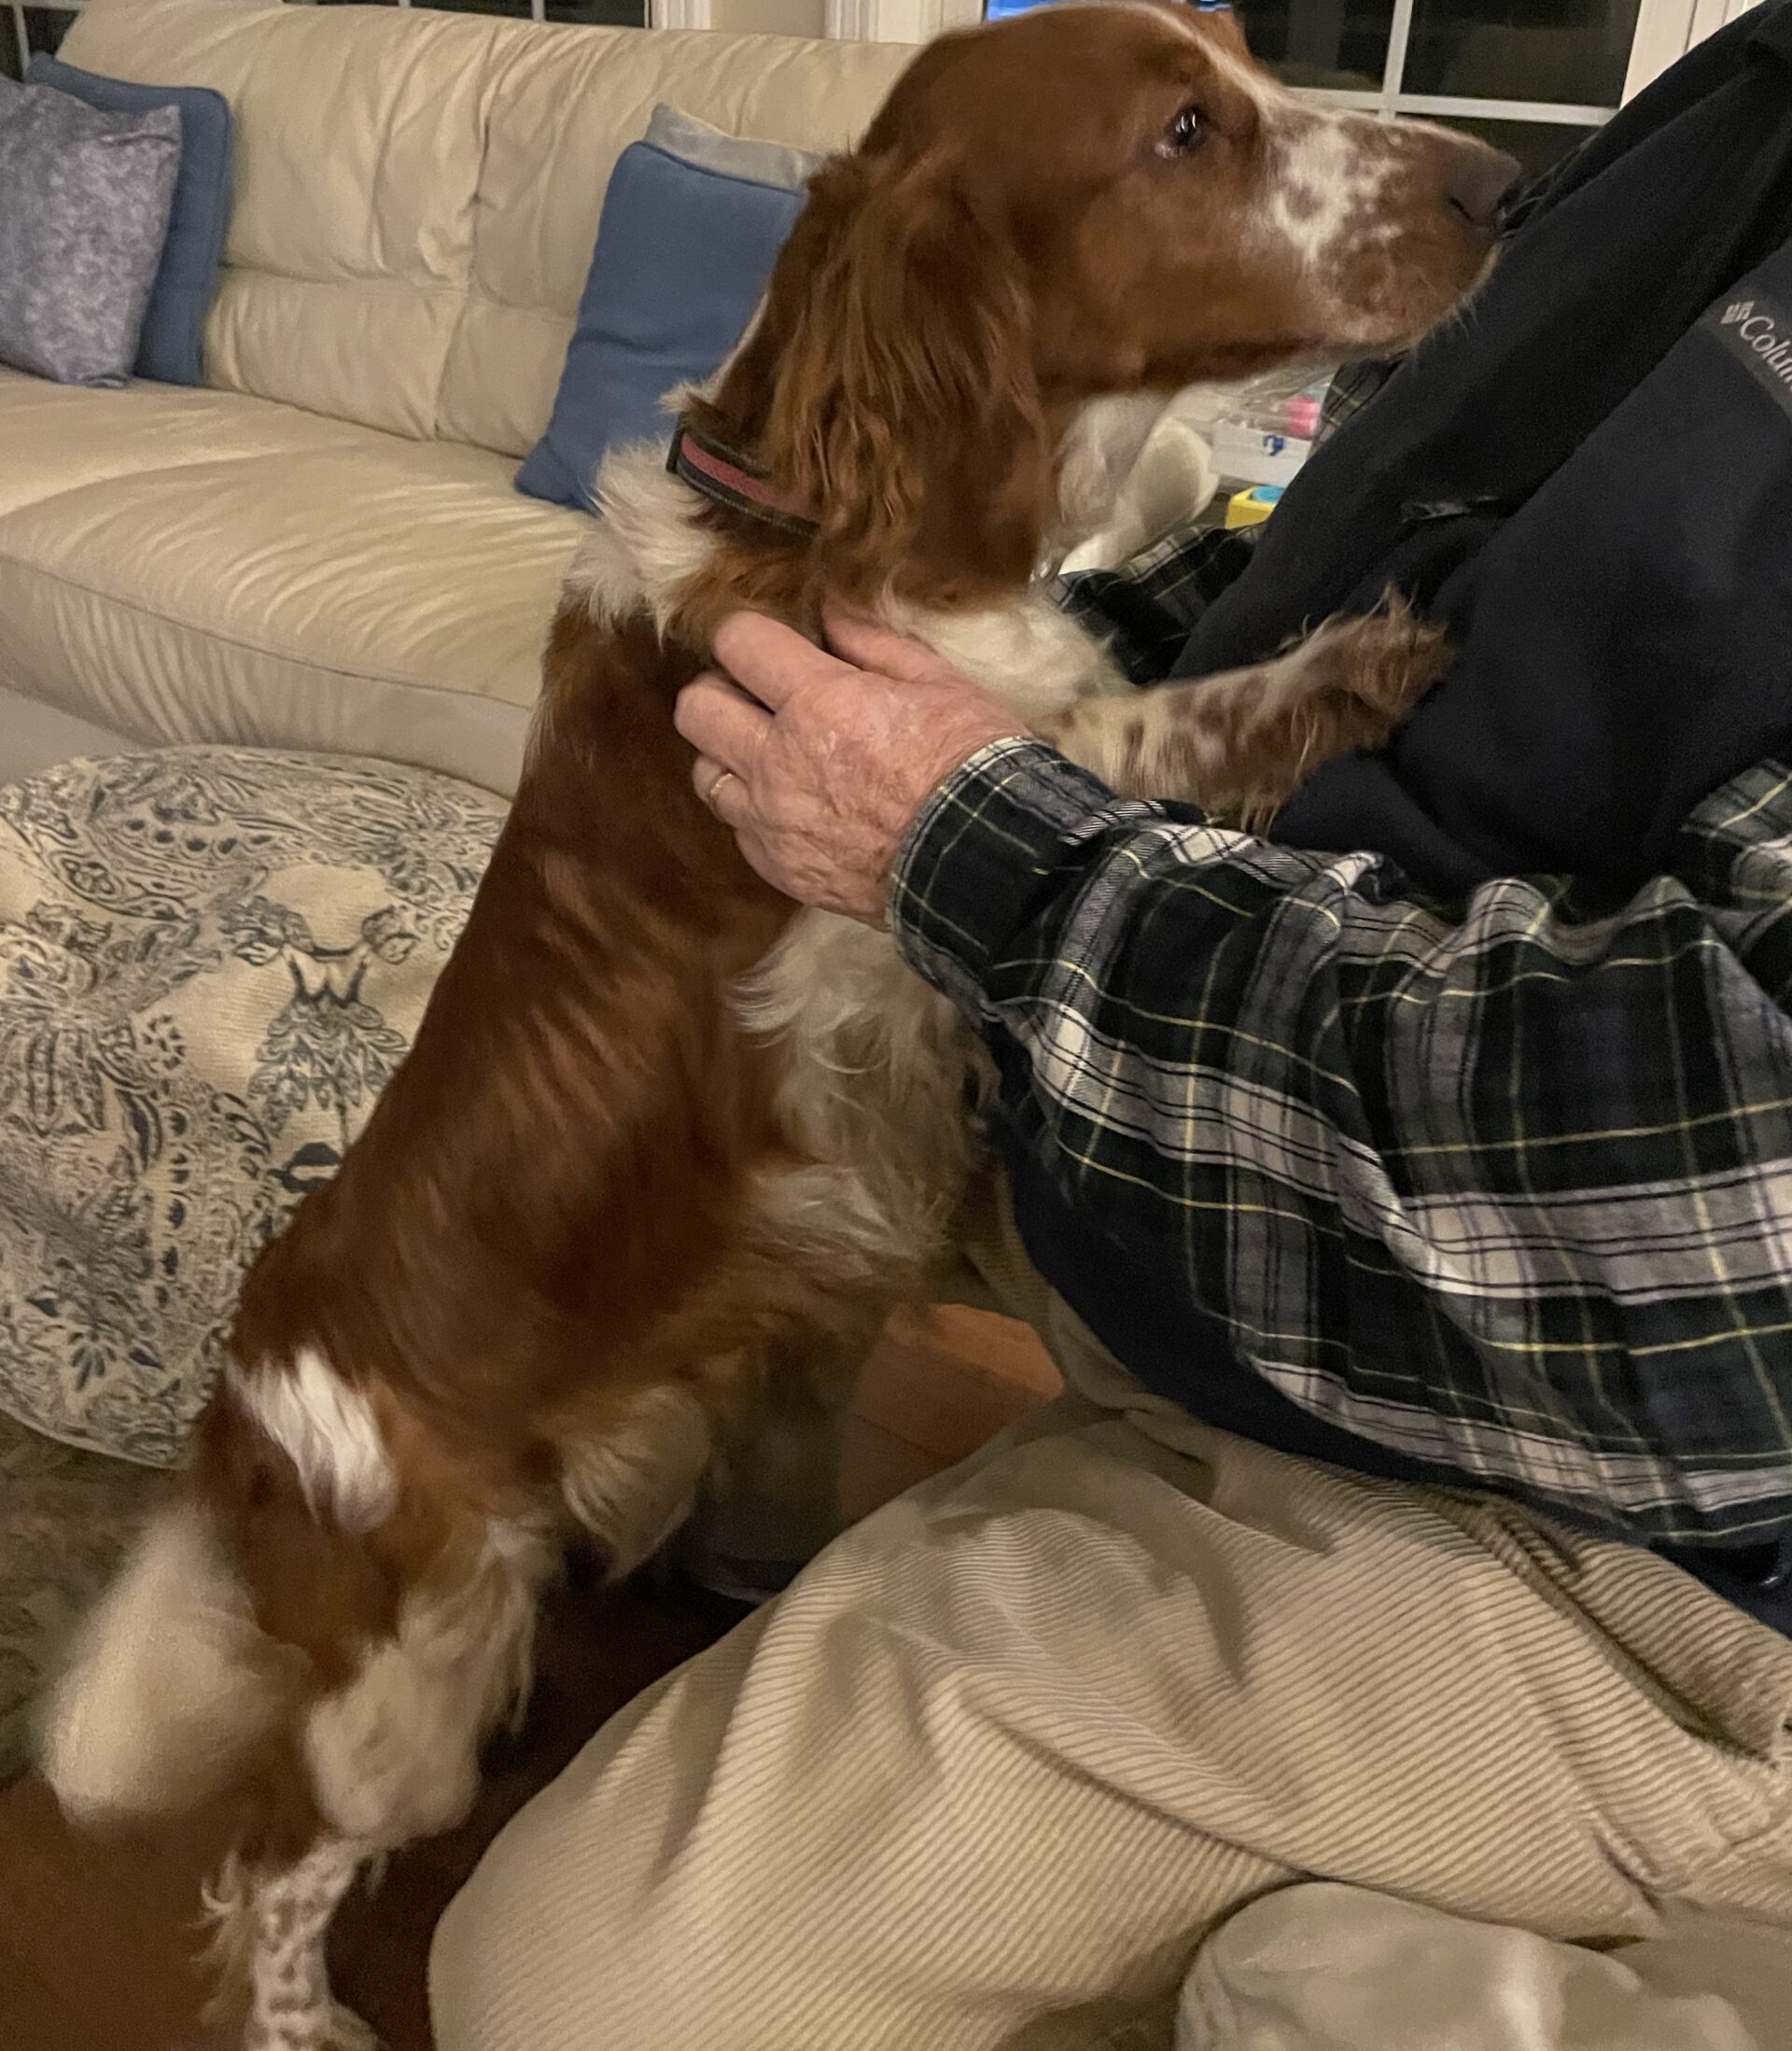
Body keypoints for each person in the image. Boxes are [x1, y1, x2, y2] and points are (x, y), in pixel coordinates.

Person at [427, 556, 1792, 2050]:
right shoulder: (1607, 326)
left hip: (1628, 1518)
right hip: (1201, 1170)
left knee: (579, 2008)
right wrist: (1000, 666)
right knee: (562, 1139)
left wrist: (973, 844)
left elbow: (1694, 1224)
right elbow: (1336, 562)